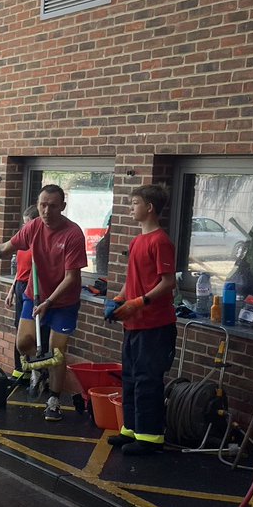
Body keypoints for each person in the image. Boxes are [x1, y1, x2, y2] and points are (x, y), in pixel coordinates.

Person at [0, 184, 87, 422]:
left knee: (57, 352)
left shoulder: (73, 234)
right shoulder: (33, 227)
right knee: (23, 343)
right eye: (42, 205)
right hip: (35, 294)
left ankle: (53, 400)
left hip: (63, 300)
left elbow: (72, 278)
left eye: (52, 206)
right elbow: (5, 248)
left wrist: (50, 302)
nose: (46, 210)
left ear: (62, 207)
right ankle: (38, 370)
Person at [104, 184, 177, 455]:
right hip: (133, 325)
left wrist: (139, 302)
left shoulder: (161, 241)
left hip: (155, 327)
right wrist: (120, 300)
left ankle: (150, 438)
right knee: (131, 378)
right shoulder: (137, 241)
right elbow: (132, 282)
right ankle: (131, 429)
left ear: (150, 208)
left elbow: (167, 283)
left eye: (135, 203)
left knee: (148, 380)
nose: (131, 207)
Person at [4, 205, 40, 381]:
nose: (25, 227)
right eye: (24, 223)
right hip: (20, 285)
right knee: (18, 326)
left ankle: (33, 370)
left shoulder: (38, 244)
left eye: (29, 223)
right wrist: (11, 290)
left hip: (32, 287)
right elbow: (19, 270)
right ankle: (19, 369)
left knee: (29, 331)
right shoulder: (23, 242)